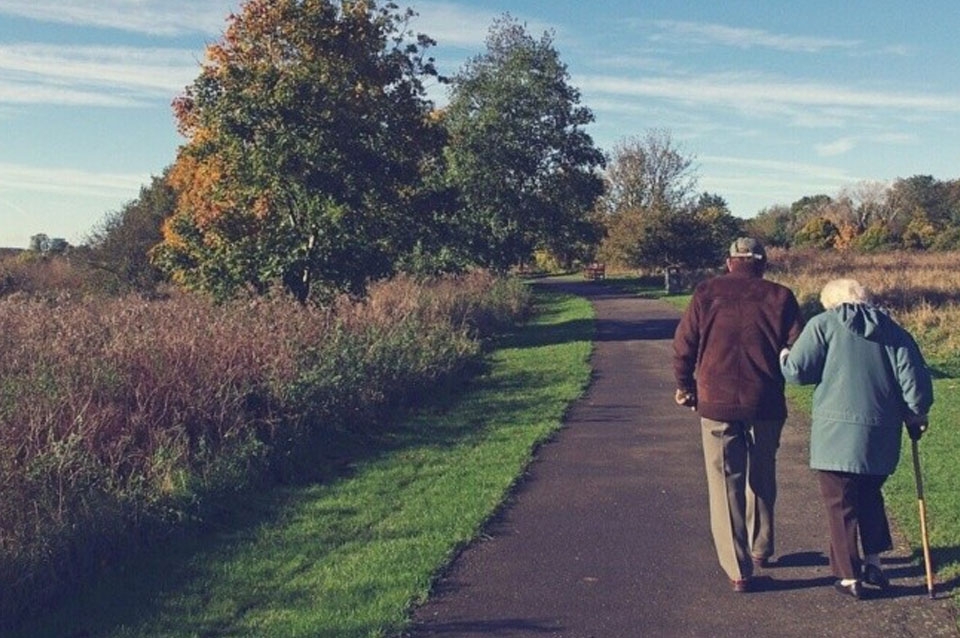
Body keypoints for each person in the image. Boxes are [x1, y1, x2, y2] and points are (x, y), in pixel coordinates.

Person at [780, 278, 933, 599]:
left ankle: (849, 575)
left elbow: (797, 372)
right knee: (869, 495)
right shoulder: (894, 331)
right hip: (881, 434)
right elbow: (915, 386)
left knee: (840, 504)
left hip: (835, 435)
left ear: (831, 302)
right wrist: (916, 414)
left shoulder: (823, 325)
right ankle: (874, 562)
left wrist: (783, 355)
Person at [672, 237, 804, 592]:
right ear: (762, 263)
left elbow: (684, 345)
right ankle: (761, 547)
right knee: (763, 472)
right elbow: (798, 349)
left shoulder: (706, 292)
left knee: (724, 482)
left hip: (717, 400)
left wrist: (685, 386)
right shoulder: (781, 296)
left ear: (729, 262)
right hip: (766, 401)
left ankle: (738, 569)